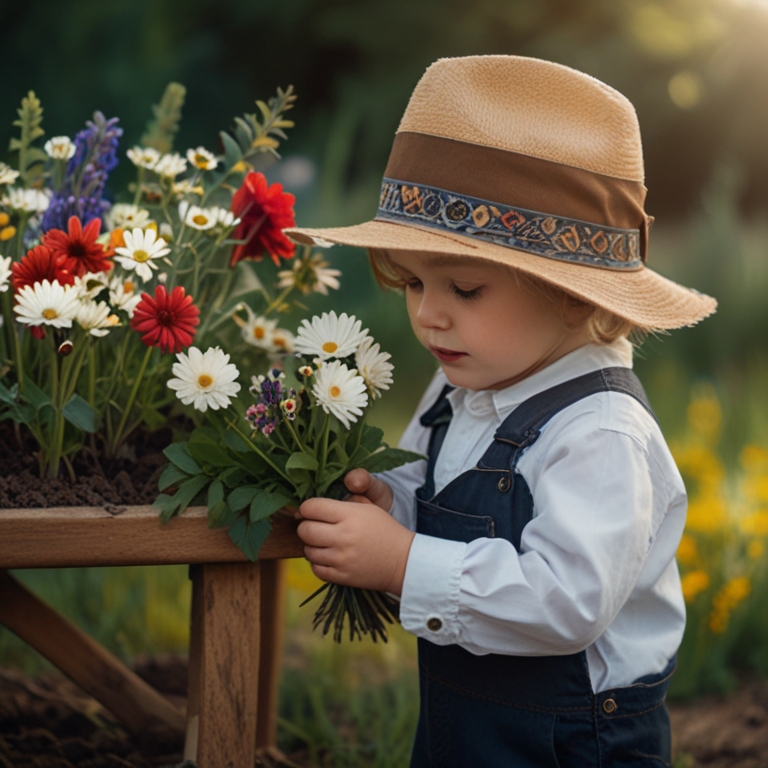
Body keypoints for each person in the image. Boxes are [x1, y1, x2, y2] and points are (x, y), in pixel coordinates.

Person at [286, 55, 717, 766]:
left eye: (464, 289)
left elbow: (567, 602)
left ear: (575, 294)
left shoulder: (600, 433)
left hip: (572, 740)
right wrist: (385, 503)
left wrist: (401, 563)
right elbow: (438, 492)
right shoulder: (459, 389)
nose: (429, 316)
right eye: (415, 281)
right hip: (467, 721)